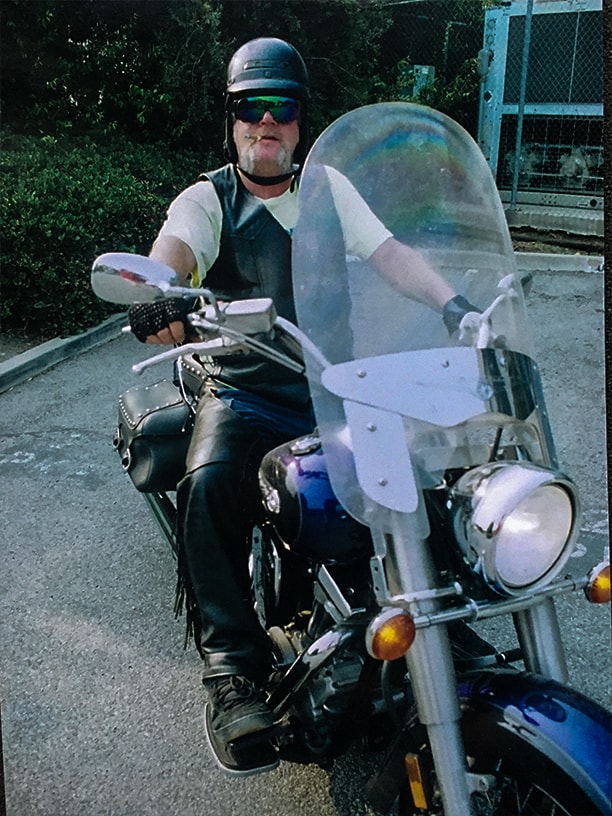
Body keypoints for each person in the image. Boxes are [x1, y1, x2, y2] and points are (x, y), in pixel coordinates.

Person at [127, 37, 475, 773]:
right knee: (212, 481)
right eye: (249, 108)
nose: (265, 123)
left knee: (422, 476)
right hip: (245, 389)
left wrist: (458, 308)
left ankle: (445, 624)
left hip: (332, 386)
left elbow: (391, 256)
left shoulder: (328, 191)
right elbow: (174, 250)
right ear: (230, 119)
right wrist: (159, 290)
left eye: (279, 108)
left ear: (300, 120)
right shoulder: (207, 197)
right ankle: (232, 670)